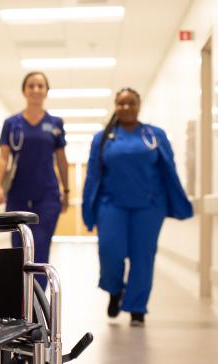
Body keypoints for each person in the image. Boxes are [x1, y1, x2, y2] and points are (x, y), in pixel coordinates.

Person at [82, 88, 192, 326]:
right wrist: (88, 210)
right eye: (121, 103)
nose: (126, 107)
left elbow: (168, 170)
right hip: (111, 205)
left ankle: (137, 307)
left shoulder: (154, 135)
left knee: (143, 257)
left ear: (139, 105)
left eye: (130, 103)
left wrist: (177, 201)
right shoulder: (103, 138)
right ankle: (114, 291)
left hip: (149, 206)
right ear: (115, 105)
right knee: (110, 253)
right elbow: (92, 175)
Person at [0, 71, 69, 288]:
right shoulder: (12, 123)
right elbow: (3, 158)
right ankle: (19, 300)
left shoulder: (55, 123)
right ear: (24, 90)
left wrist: (66, 191)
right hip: (17, 193)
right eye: (31, 85)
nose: (36, 89)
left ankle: (37, 301)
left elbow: (62, 160)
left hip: (47, 195)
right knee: (18, 248)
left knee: (41, 245)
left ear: (46, 91)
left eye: (40, 86)